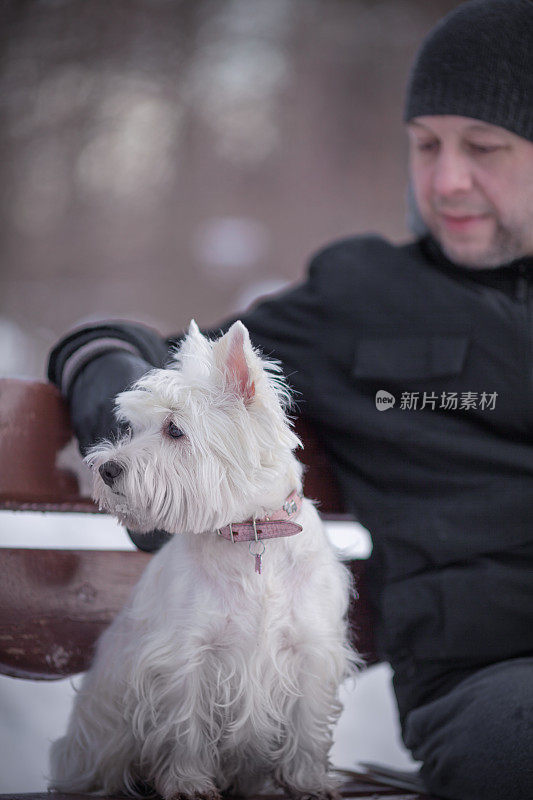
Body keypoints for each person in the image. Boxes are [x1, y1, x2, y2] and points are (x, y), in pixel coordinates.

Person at [47, 1, 533, 798]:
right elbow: (159, 357)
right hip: (488, 680)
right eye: (425, 145)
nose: (447, 178)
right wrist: (104, 372)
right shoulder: (359, 293)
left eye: (484, 147)